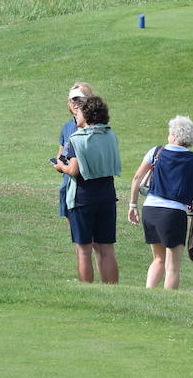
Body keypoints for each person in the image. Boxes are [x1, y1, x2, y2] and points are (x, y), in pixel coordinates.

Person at [127, 115, 193, 290]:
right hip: (173, 214)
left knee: (158, 259)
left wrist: (133, 205)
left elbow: (137, 178)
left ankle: (148, 294)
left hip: (150, 209)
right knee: (172, 268)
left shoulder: (156, 151)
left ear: (174, 135)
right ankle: (168, 301)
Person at [53, 96, 120, 284]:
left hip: (83, 197)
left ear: (87, 115)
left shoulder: (76, 138)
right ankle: (112, 288)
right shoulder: (110, 135)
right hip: (107, 195)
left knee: (84, 249)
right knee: (106, 248)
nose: (77, 114)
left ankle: (87, 289)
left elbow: (73, 170)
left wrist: (60, 166)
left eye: (80, 111)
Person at [56, 82, 95, 220]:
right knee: (78, 237)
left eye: (79, 99)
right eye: (72, 99)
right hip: (68, 187)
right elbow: (60, 155)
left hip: (87, 190)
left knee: (92, 239)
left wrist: (66, 166)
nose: (75, 103)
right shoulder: (67, 127)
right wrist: (59, 164)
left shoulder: (97, 127)